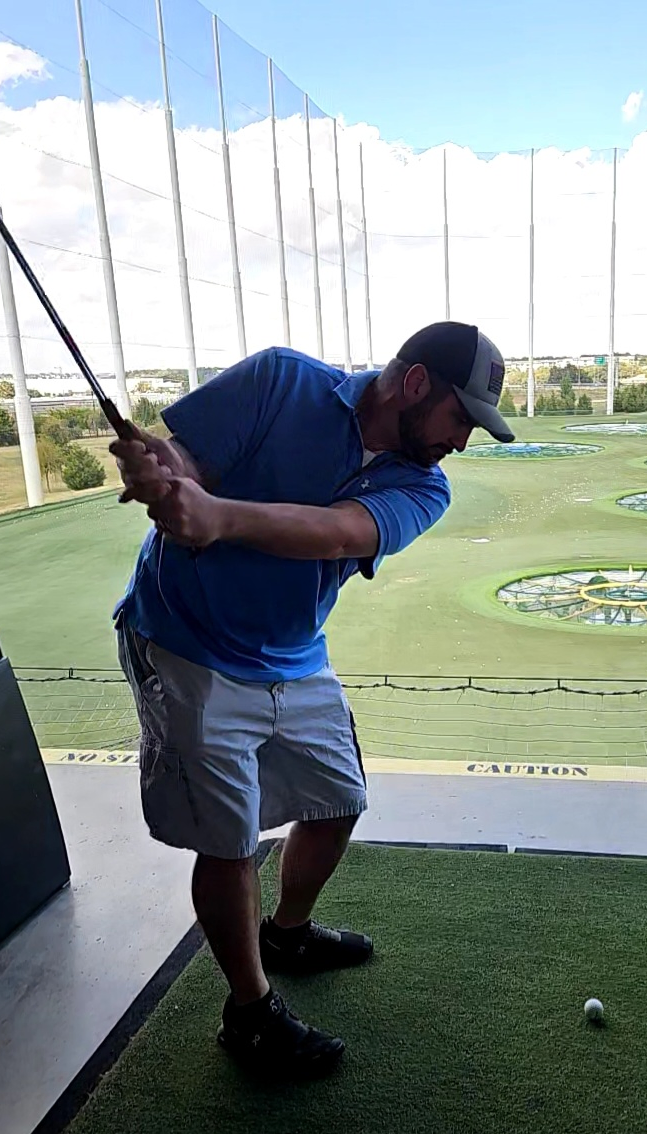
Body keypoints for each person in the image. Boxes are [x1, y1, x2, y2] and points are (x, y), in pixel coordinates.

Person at [110, 322, 511, 1079]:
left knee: (336, 800)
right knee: (228, 841)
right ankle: (248, 1011)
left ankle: (286, 933)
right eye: (460, 418)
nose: (461, 442)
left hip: (292, 655)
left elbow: (336, 533)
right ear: (416, 385)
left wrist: (216, 515)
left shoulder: (423, 484)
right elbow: (189, 457)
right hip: (185, 643)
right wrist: (164, 469)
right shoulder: (279, 380)